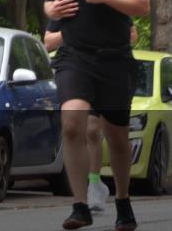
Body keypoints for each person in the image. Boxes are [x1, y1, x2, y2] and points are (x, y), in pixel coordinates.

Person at [43, 0, 149, 231]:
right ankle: (80, 205)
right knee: (73, 125)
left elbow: (142, 5)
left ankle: (122, 200)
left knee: (117, 137)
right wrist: (50, 12)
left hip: (114, 59)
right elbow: (49, 7)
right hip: (74, 58)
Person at [45, 21, 138, 213]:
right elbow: (48, 42)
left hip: (109, 72)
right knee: (89, 128)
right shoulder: (67, 2)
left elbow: (132, 35)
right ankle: (92, 186)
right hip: (78, 72)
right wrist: (75, 31)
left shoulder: (109, 1)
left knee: (112, 135)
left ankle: (118, 194)